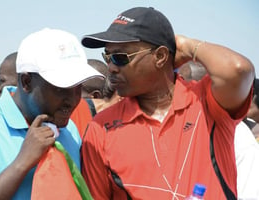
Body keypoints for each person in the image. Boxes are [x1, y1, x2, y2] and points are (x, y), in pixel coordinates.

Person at [80, 7, 254, 199]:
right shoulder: (101, 128)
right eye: (108, 56)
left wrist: (187, 46)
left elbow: (238, 70)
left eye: (120, 58)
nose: (111, 67)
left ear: (161, 56)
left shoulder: (206, 102)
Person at [0, 28, 103, 199]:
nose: (72, 100)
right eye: (61, 88)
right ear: (26, 82)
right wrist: (22, 163)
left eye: (78, 88)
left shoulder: (68, 128)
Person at [178, 62, 259, 199]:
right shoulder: (174, 123)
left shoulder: (239, 137)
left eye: (183, 81)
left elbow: (249, 195)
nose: (176, 86)